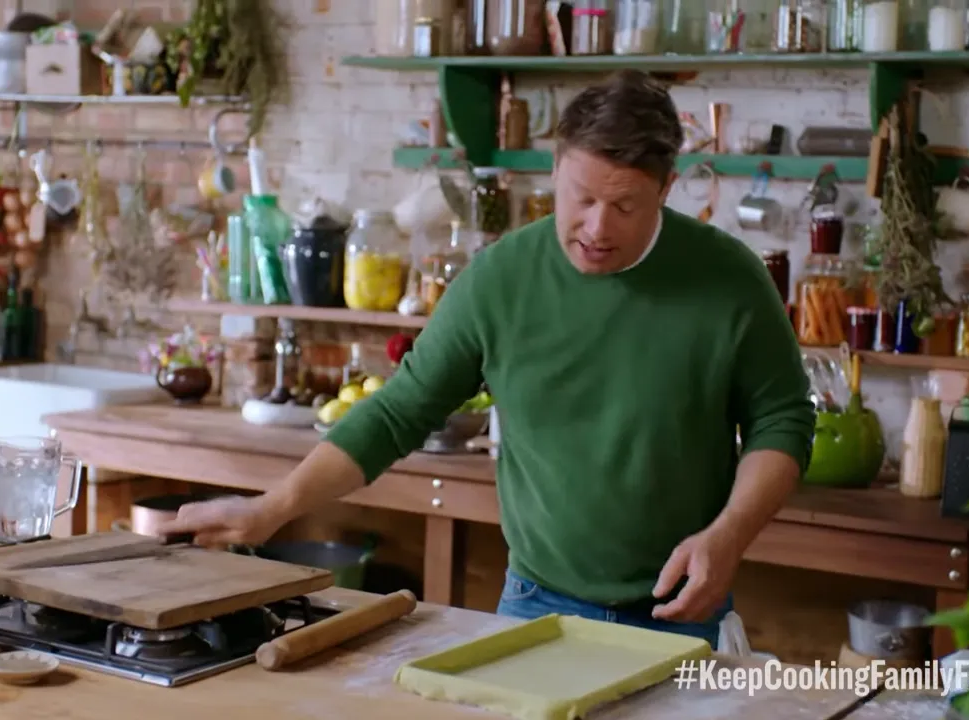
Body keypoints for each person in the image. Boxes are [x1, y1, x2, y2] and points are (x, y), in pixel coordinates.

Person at [159, 70, 815, 648]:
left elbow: (782, 420)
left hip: (681, 611)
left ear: (667, 188)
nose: (597, 228)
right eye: (583, 198)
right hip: (536, 607)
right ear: (555, 169)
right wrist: (272, 508)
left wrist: (730, 534)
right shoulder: (501, 279)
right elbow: (398, 413)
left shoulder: (730, 278)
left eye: (624, 206)